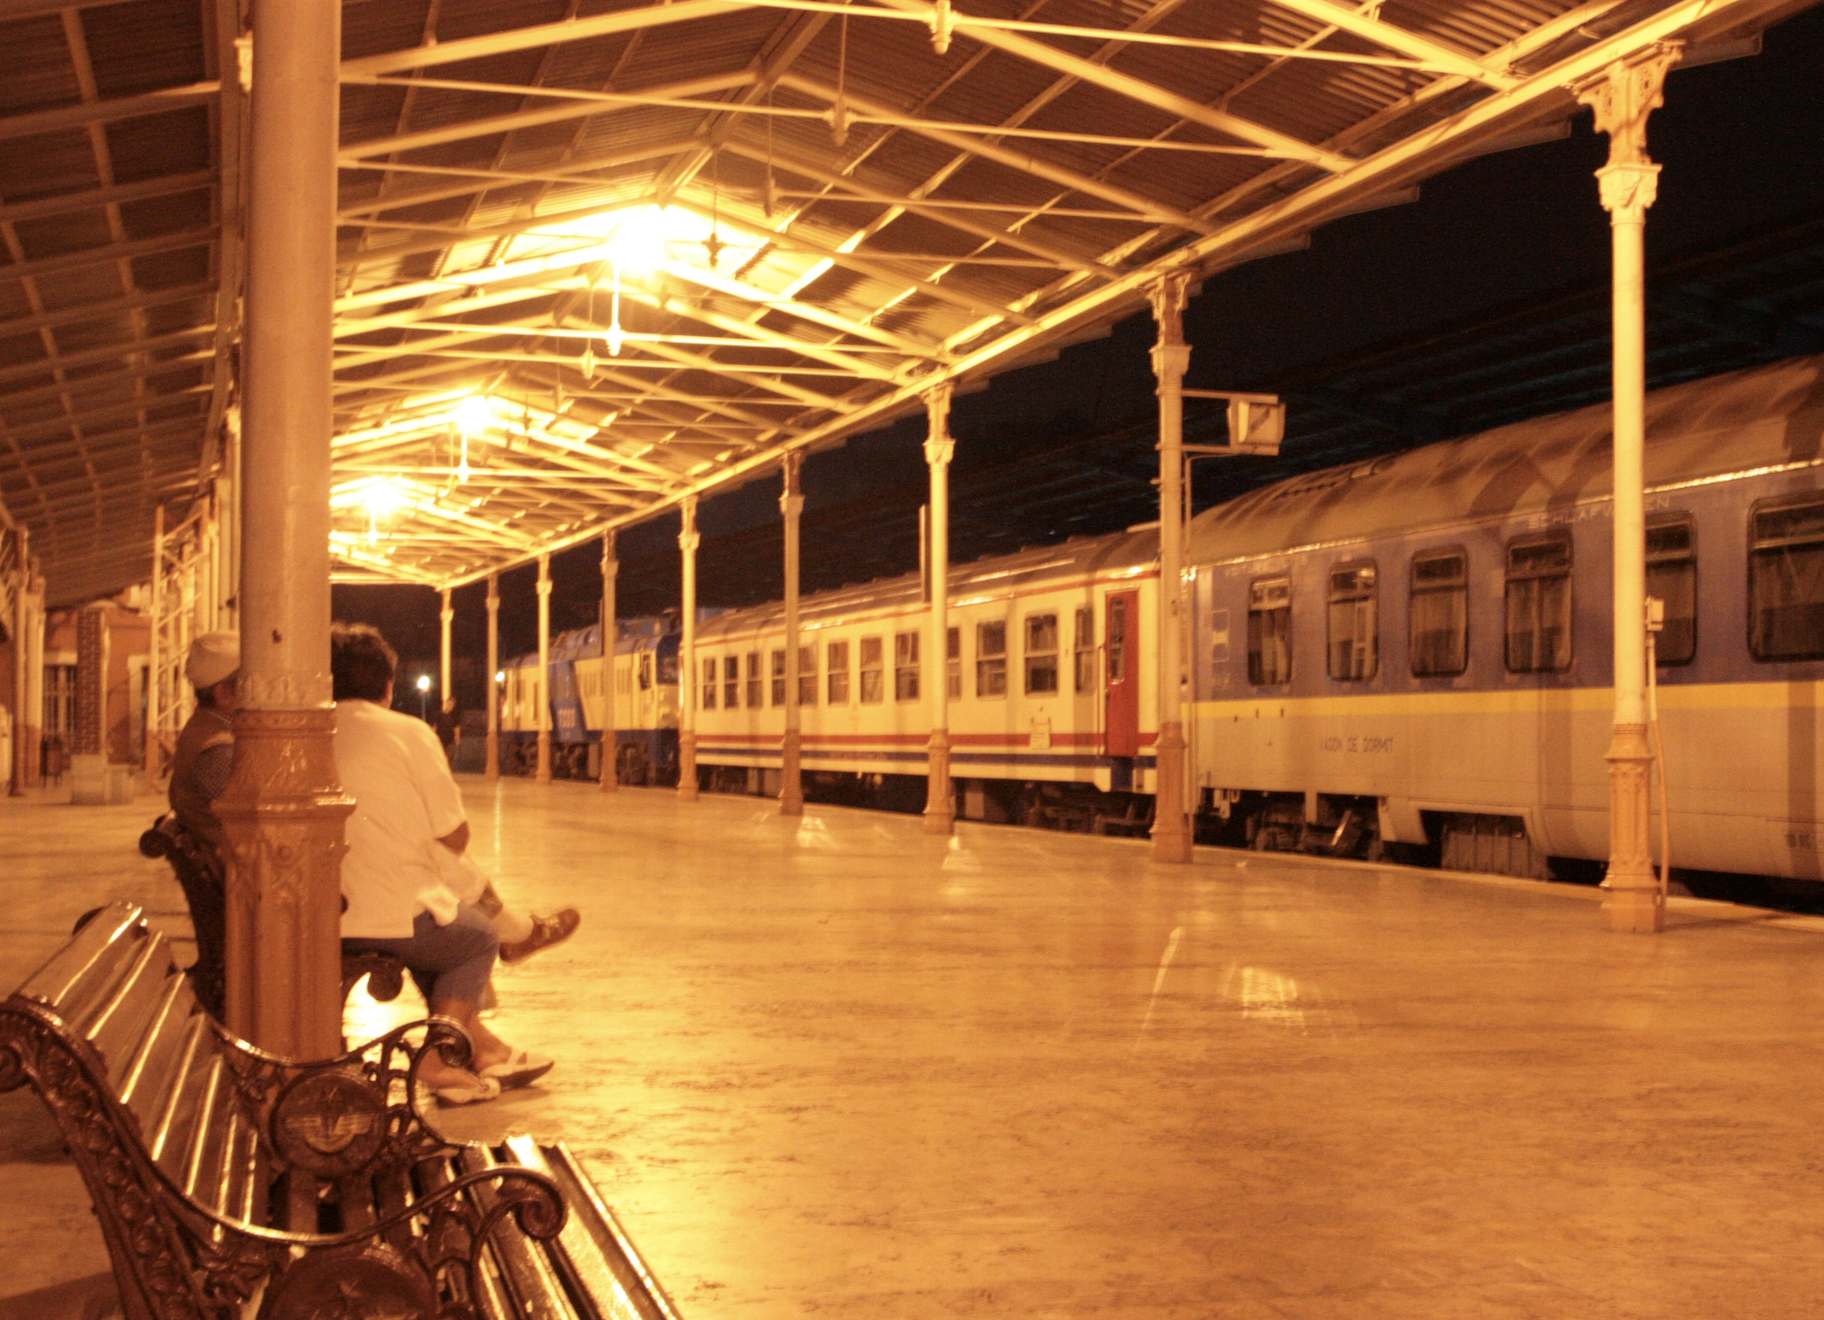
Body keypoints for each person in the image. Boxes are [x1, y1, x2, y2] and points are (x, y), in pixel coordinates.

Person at [332, 622, 554, 1104]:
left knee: (444, 906)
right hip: (378, 915)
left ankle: (483, 1050)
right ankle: (437, 1058)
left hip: (317, 905)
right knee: (473, 938)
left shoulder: (307, 730)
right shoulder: (408, 731)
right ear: (387, 686)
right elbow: (455, 833)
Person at [168, 632, 240, 846]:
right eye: (248, 682)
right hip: (236, 863)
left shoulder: (204, 727)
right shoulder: (218, 749)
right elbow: (246, 814)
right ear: (224, 694)